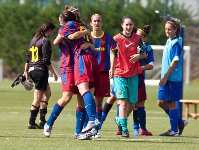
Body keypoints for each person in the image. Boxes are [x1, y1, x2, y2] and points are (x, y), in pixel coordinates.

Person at [43, 6, 94, 138]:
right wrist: (80, 34)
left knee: (81, 100)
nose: (77, 13)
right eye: (74, 12)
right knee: (67, 97)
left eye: (78, 11)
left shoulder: (81, 26)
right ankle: (48, 124)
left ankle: (78, 132)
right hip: (67, 67)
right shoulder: (66, 28)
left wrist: (88, 41)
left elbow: (92, 42)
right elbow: (56, 41)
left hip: (79, 63)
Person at [110, 15, 146, 138]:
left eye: (131, 24)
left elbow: (143, 52)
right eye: (126, 24)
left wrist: (138, 56)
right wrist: (111, 68)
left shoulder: (137, 38)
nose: (129, 27)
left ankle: (120, 120)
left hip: (133, 74)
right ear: (122, 25)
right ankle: (124, 129)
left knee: (132, 104)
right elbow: (113, 53)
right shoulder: (116, 39)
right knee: (123, 102)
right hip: (119, 73)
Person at [23, 21, 58, 129]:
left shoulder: (34, 39)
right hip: (40, 71)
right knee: (38, 97)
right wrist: (54, 73)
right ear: (49, 30)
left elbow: (28, 58)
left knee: (47, 94)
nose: (53, 33)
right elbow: (46, 60)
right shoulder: (45, 41)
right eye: (52, 31)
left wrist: (26, 71)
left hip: (33, 70)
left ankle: (42, 121)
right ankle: (31, 122)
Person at [87, 14, 117, 138]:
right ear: (91, 23)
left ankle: (95, 130)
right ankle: (86, 126)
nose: (97, 23)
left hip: (103, 74)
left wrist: (112, 68)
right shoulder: (86, 38)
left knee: (99, 102)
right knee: (88, 102)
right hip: (90, 73)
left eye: (99, 21)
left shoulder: (108, 38)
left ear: (102, 23)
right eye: (94, 21)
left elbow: (113, 53)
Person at [157, 20, 187, 136]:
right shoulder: (168, 41)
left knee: (171, 102)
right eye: (166, 29)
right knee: (160, 102)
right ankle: (180, 122)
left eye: (169, 29)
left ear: (175, 30)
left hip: (171, 78)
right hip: (165, 78)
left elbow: (175, 61)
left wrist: (165, 77)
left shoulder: (176, 43)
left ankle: (174, 130)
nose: (167, 31)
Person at [131, 25, 154, 136]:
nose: (136, 37)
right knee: (122, 102)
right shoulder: (129, 43)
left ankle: (142, 129)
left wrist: (139, 68)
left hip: (139, 77)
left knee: (139, 103)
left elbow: (151, 65)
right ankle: (121, 128)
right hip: (126, 76)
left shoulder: (147, 47)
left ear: (144, 37)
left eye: (139, 36)